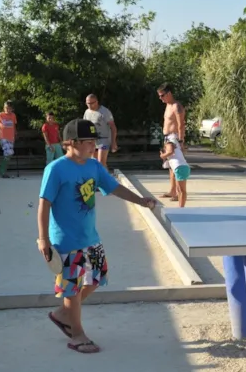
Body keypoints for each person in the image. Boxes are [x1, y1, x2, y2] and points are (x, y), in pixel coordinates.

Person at [37, 118, 157, 354]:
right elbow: (44, 204)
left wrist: (141, 201)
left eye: (95, 141)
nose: (93, 146)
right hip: (66, 240)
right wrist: (43, 239)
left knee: (98, 277)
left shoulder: (94, 166)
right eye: (88, 141)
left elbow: (113, 187)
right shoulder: (56, 169)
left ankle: (62, 314)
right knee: (72, 288)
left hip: (90, 236)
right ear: (71, 143)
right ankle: (78, 334)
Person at [158, 83, 186, 200]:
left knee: (176, 165)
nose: (161, 98)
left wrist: (180, 141)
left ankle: (179, 192)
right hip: (167, 138)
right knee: (170, 166)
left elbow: (181, 124)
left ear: (169, 93)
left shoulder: (176, 106)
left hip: (174, 138)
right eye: (159, 96)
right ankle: (173, 190)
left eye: (162, 95)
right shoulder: (168, 106)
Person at [83, 94, 117, 169]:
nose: (90, 105)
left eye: (92, 103)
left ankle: (104, 179)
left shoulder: (105, 112)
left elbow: (113, 127)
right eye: (88, 103)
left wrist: (113, 142)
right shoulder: (87, 112)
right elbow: (85, 126)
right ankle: (100, 177)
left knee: (101, 162)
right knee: (94, 162)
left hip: (103, 139)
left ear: (97, 102)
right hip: (92, 140)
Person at [160, 136, 190, 207]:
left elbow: (170, 151)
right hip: (181, 167)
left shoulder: (169, 144)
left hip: (180, 167)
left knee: (181, 190)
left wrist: (162, 156)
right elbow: (166, 164)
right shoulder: (175, 148)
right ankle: (180, 206)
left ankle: (181, 208)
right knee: (179, 190)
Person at [0, 100, 17, 178]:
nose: (8, 110)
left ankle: (3, 170)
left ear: (12, 109)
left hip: (11, 136)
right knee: (9, 152)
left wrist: (15, 133)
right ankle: (2, 170)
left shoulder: (13, 115)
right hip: (3, 136)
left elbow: (13, 125)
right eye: (6, 108)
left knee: (9, 154)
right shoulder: (1, 115)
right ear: (4, 108)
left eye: (9, 108)